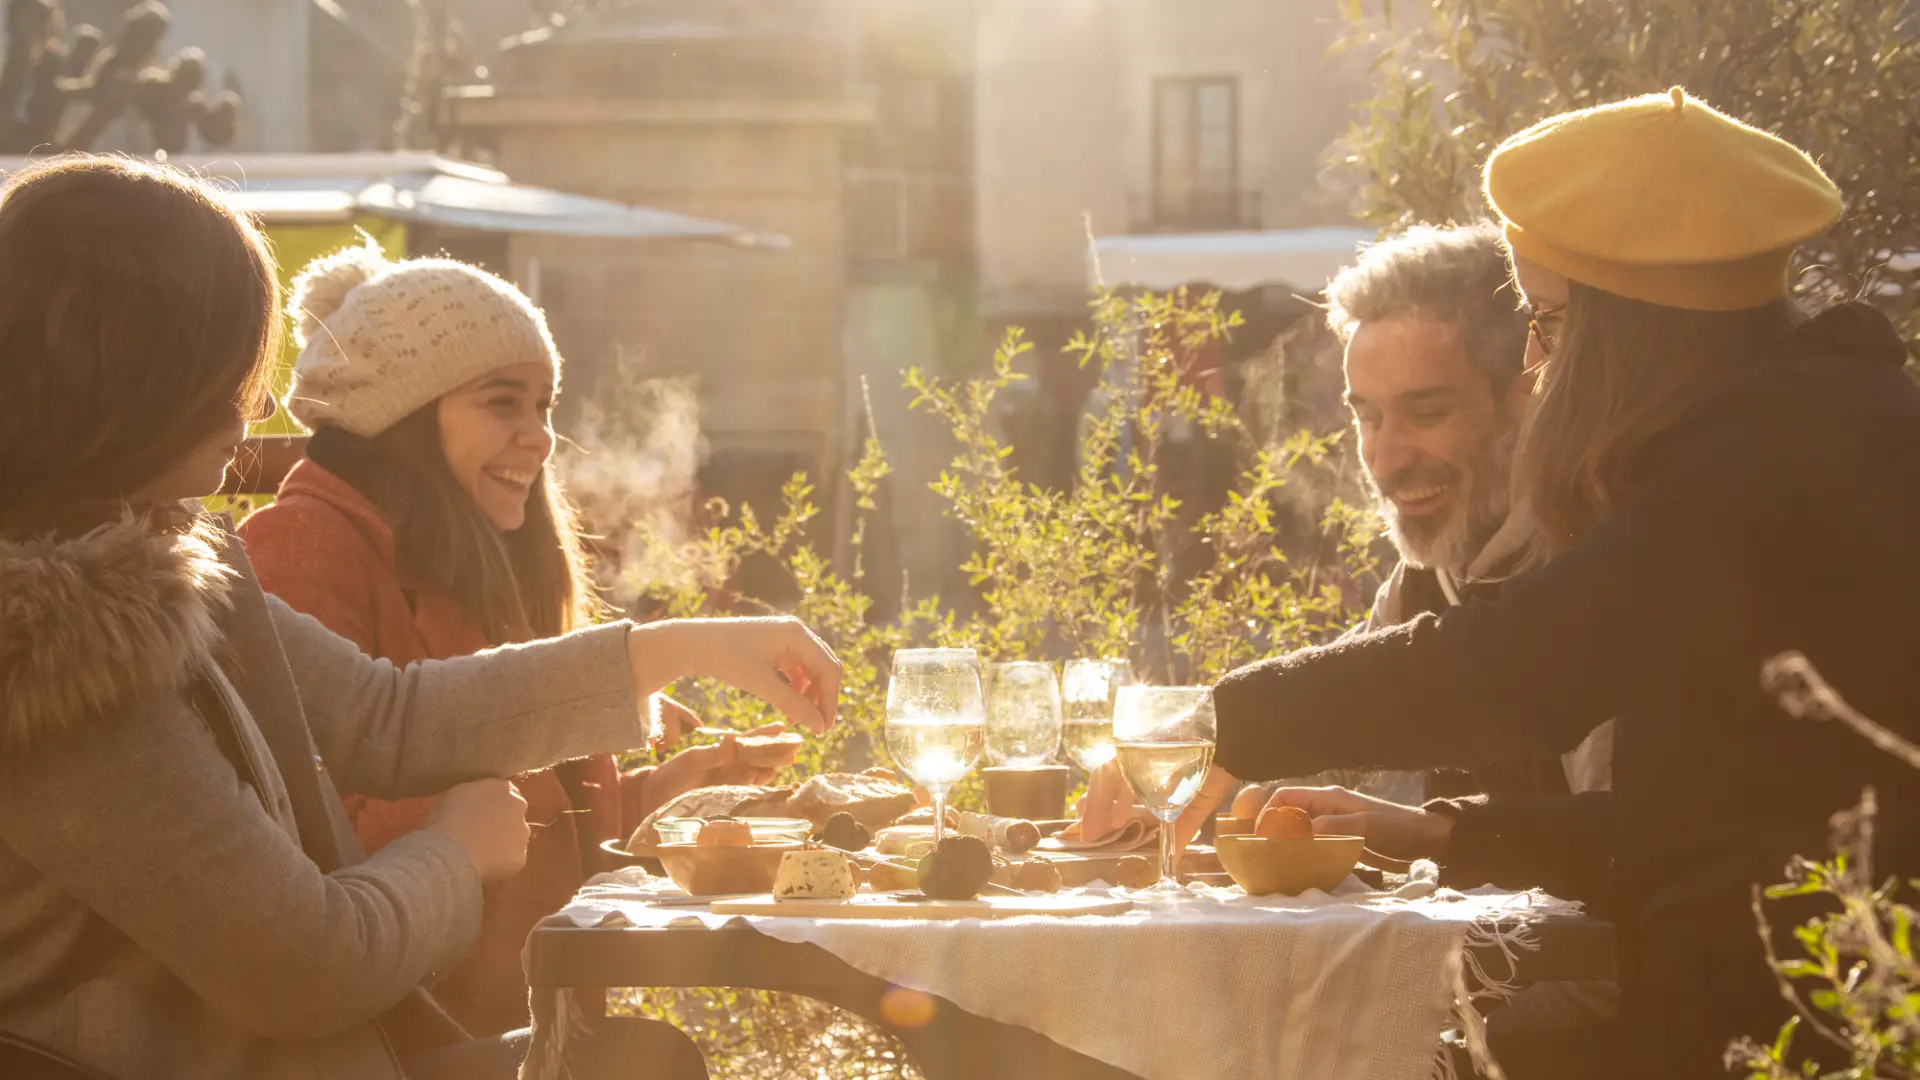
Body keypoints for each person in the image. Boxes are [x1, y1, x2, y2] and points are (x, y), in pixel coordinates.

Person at [0, 156, 841, 1080]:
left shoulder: (170, 558)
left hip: (336, 1053)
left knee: (644, 1061)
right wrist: (455, 856)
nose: (263, 400)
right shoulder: (58, 662)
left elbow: (384, 715)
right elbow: (304, 968)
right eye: (230, 358)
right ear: (134, 368)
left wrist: (685, 649)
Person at [1192, 90, 1920, 1078]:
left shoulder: (1764, 466)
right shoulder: (1819, 420)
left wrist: (1220, 719)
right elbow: (1706, 822)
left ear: (1629, 331)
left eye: (1547, 321)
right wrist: (1436, 831)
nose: (1536, 365)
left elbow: (1525, 668)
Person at [236, 240, 798, 1036]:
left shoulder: (476, 566)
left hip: (515, 1017)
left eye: (544, 405)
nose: (539, 436)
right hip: (405, 1037)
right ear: (399, 414)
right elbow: (319, 849)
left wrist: (668, 795)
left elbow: (536, 837)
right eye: (503, 402)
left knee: (648, 1054)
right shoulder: (298, 551)